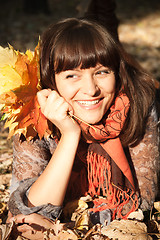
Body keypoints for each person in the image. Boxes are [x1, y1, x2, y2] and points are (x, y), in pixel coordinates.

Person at [7, 17, 159, 239]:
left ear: (116, 73)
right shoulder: (32, 117)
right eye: (71, 75)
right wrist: (70, 135)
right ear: (51, 81)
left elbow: (142, 206)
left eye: (102, 72)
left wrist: (63, 229)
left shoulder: (138, 102)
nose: (91, 90)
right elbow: (24, 214)